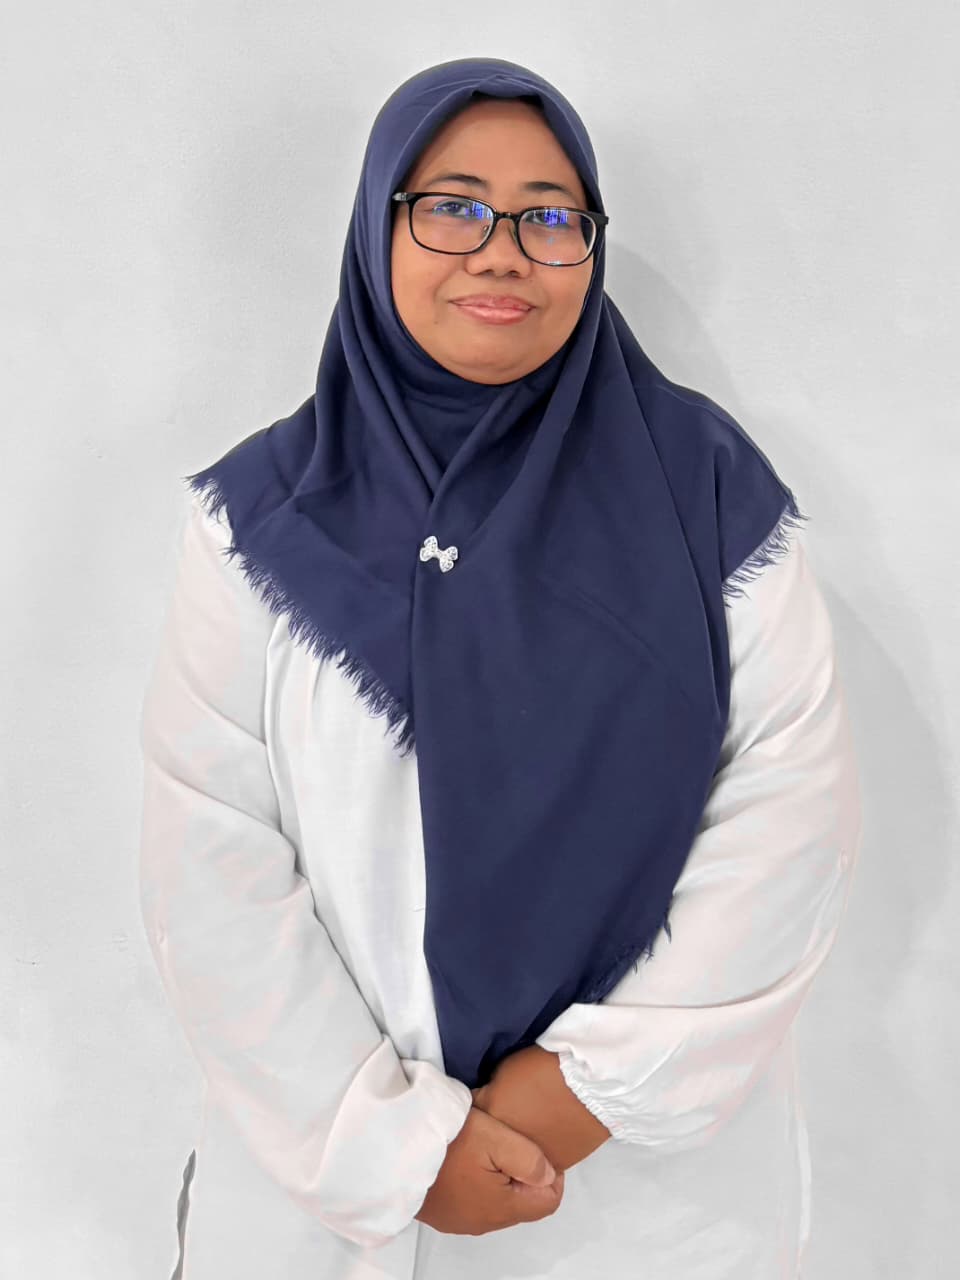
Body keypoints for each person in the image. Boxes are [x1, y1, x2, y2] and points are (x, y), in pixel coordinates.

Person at [139, 56, 862, 1279]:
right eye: (454, 207)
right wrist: (393, 1147)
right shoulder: (256, 519)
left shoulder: (707, 491)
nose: (503, 251)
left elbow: (792, 811)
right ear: (378, 227)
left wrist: (581, 1092)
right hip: (332, 1194)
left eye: (549, 216)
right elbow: (208, 858)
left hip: (640, 1195)